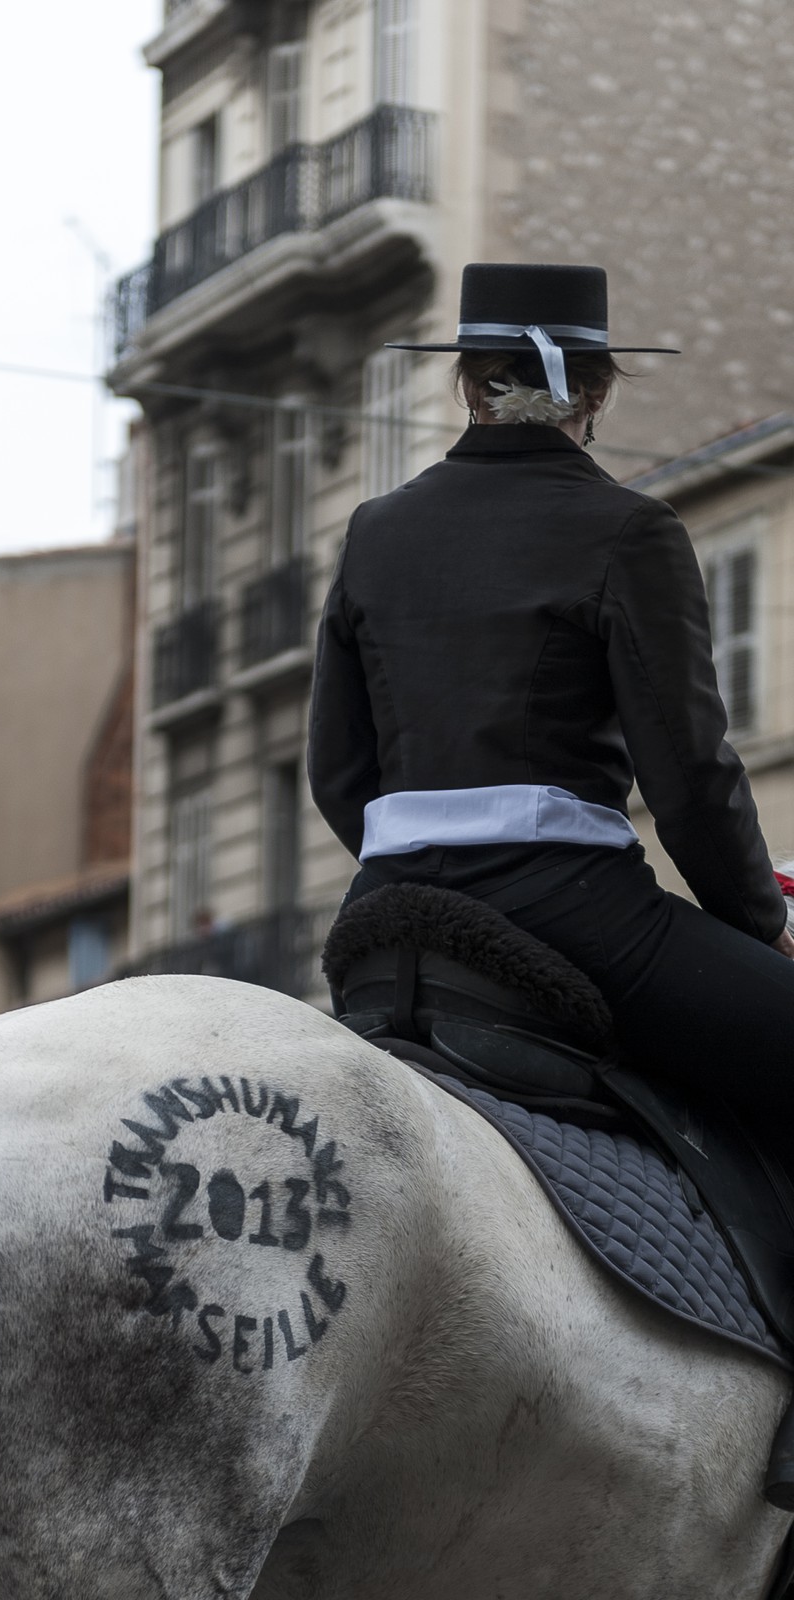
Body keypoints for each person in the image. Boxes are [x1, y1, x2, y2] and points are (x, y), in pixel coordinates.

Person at [308, 261, 794, 1124]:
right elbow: (687, 778)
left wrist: (421, 864)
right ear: (597, 393)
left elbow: (337, 770)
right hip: (567, 908)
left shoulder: (374, 529)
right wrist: (760, 925)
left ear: (469, 386)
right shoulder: (630, 529)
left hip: (383, 914)